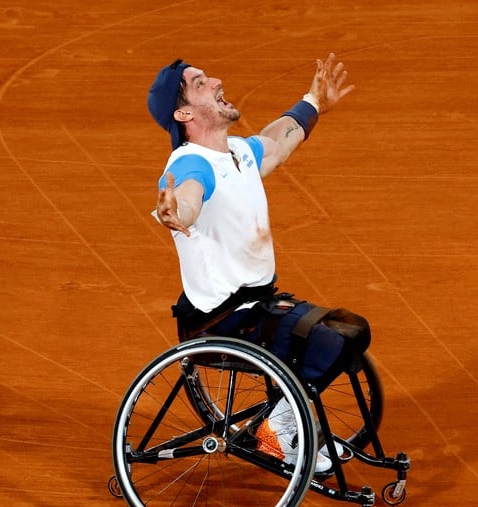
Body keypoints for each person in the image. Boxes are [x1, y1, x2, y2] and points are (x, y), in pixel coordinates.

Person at [147, 54, 365, 474]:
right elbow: (188, 197)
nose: (215, 80)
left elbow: (278, 141)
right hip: (224, 319)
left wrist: (314, 101)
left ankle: (285, 420)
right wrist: (178, 213)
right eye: (199, 82)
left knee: (348, 330)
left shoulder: (238, 153)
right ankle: (278, 431)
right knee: (334, 340)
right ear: (185, 112)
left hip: (256, 306)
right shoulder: (190, 164)